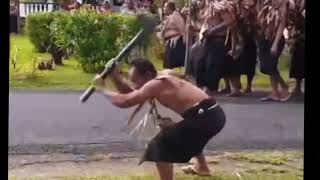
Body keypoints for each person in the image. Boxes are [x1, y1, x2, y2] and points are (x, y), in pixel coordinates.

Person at [93, 58, 226, 180]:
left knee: (160, 145)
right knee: (180, 133)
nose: (134, 85)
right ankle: (202, 168)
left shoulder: (156, 84)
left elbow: (126, 101)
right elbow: (133, 93)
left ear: (148, 75)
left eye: (135, 80)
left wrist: (102, 89)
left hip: (203, 117)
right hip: (212, 115)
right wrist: (115, 77)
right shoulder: (158, 80)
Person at [256, 0, 291, 101]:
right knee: (265, 66)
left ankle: (278, 91)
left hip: (276, 39)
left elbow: (282, 24)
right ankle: (279, 89)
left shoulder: (282, 3)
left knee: (270, 65)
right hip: (264, 38)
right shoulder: (262, 2)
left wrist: (275, 44)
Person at [160, 2, 186, 69]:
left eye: (165, 7)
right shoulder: (169, 17)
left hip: (175, 42)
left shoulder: (176, 16)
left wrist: (183, 42)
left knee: (171, 64)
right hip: (169, 42)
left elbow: (182, 29)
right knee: (167, 64)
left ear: (169, 8)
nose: (163, 8)